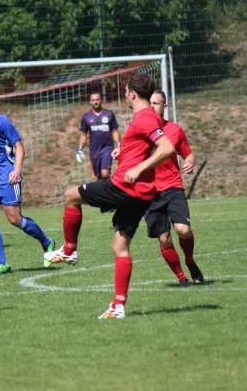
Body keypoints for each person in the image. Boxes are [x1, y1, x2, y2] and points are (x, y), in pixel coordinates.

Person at [44, 73, 175, 319]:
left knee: (71, 195)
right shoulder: (148, 117)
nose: (125, 94)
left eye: (126, 91)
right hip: (142, 194)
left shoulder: (145, 117)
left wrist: (137, 168)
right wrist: (124, 153)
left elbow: (167, 148)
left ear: (133, 94)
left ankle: (70, 250)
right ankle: (118, 306)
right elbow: (145, 147)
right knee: (120, 246)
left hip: (124, 187)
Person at [0, 86, 55, 276]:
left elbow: (19, 146)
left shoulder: (3, 122)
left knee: (14, 219)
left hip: (7, 177)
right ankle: (2, 263)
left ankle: (47, 242)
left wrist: (17, 169)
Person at [146, 90, 204, 286]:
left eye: (156, 103)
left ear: (164, 107)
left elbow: (188, 154)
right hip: (151, 192)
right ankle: (181, 277)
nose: (152, 107)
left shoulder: (175, 130)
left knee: (183, 230)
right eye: (150, 103)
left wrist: (190, 162)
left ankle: (189, 260)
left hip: (173, 187)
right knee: (164, 239)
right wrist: (120, 150)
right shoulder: (140, 131)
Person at [76, 93, 121, 179]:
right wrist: (79, 149)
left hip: (107, 149)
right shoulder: (86, 117)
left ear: (101, 100)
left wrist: (119, 145)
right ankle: (103, 191)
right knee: (99, 177)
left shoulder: (109, 114)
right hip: (94, 150)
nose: (96, 102)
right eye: (93, 100)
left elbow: (115, 131)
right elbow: (83, 135)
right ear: (90, 102)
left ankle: (110, 190)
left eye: (97, 100)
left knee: (105, 174)